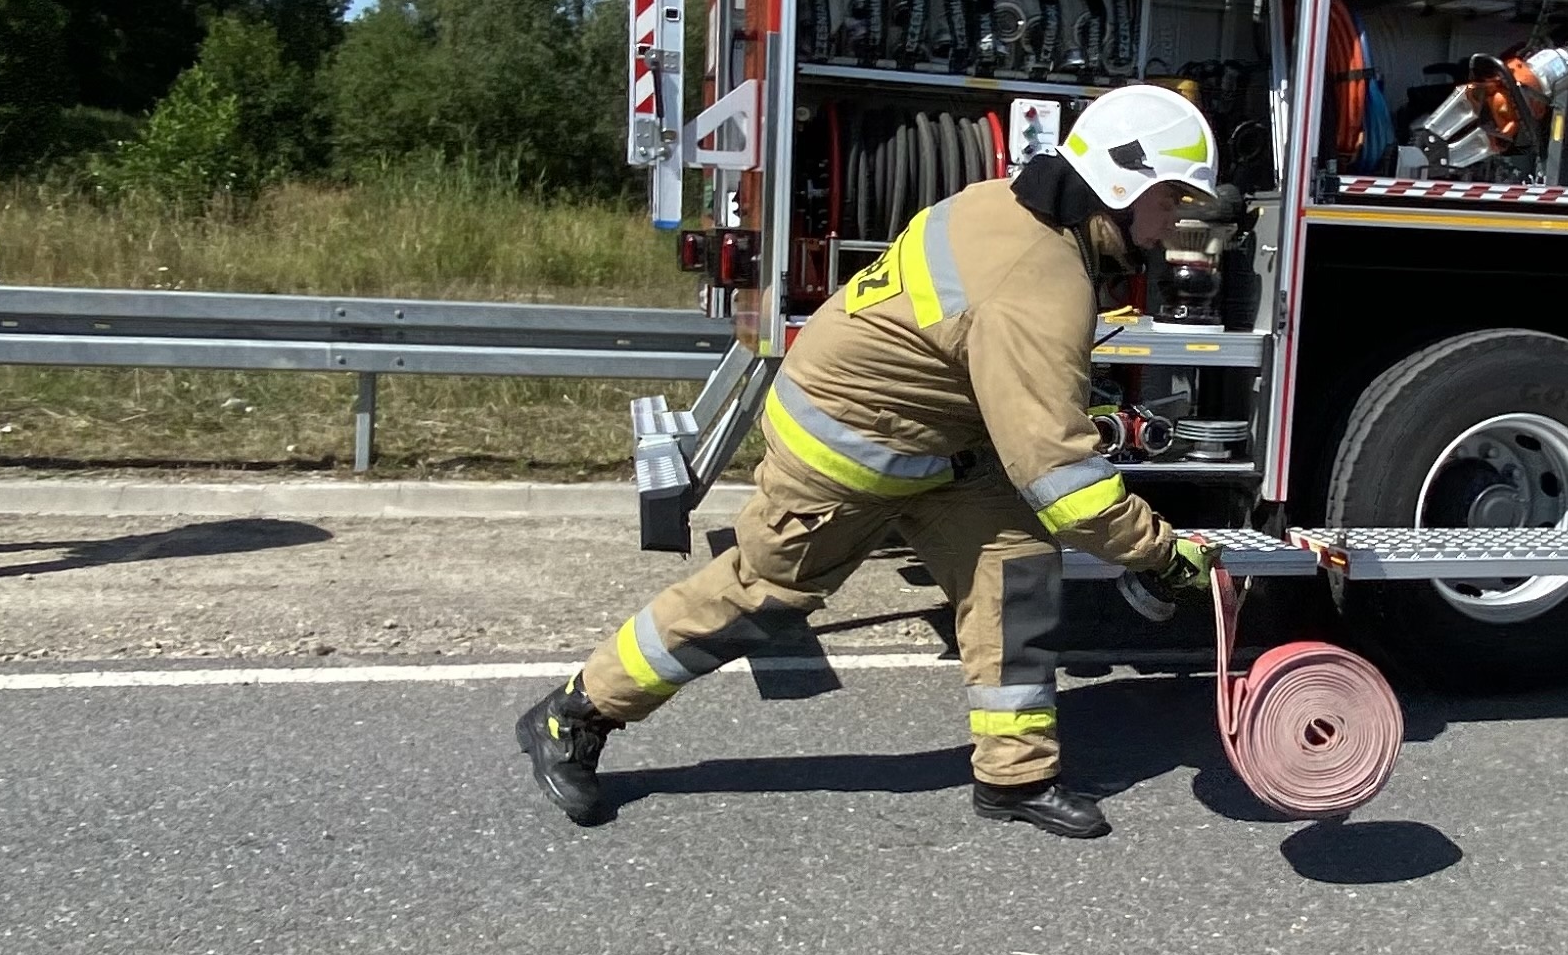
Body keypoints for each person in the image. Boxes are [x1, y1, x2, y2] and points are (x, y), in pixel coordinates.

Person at [522, 84, 1228, 839]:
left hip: (934, 447)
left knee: (1015, 572)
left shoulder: (1001, 203)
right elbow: (1060, 477)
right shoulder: (1041, 280)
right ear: (1122, 185)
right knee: (761, 596)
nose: (1171, 227)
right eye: (1170, 201)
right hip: (844, 448)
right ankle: (575, 713)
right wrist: (1159, 553)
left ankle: (1016, 776)